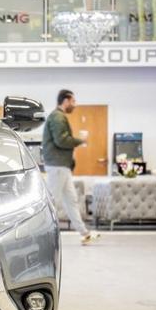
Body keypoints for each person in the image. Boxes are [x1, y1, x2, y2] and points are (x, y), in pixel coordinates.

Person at [42, 89, 100, 245]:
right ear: (65, 101)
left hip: (62, 166)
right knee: (52, 201)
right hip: (57, 165)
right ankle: (43, 235)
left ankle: (84, 233)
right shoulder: (57, 117)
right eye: (73, 101)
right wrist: (80, 140)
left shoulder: (58, 117)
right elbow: (61, 140)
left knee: (71, 200)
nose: (75, 104)